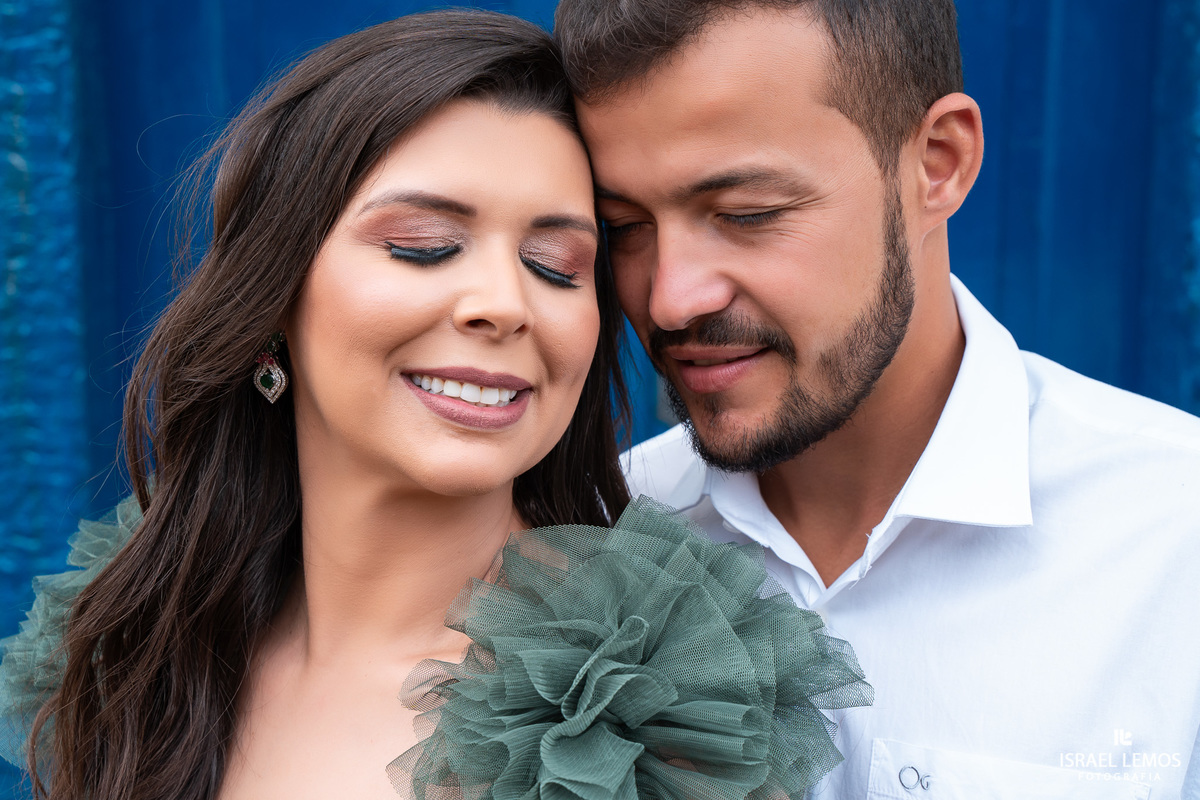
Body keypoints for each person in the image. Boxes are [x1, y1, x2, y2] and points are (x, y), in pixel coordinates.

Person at [0, 9, 872, 800]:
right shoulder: (135, 648)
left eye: (558, 266)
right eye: (425, 247)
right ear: (271, 299)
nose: (504, 301)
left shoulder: (644, 717)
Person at [553, 0, 1200, 797]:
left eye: (747, 213)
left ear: (939, 162)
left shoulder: (1177, 539)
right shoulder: (587, 540)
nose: (670, 300)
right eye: (624, 227)